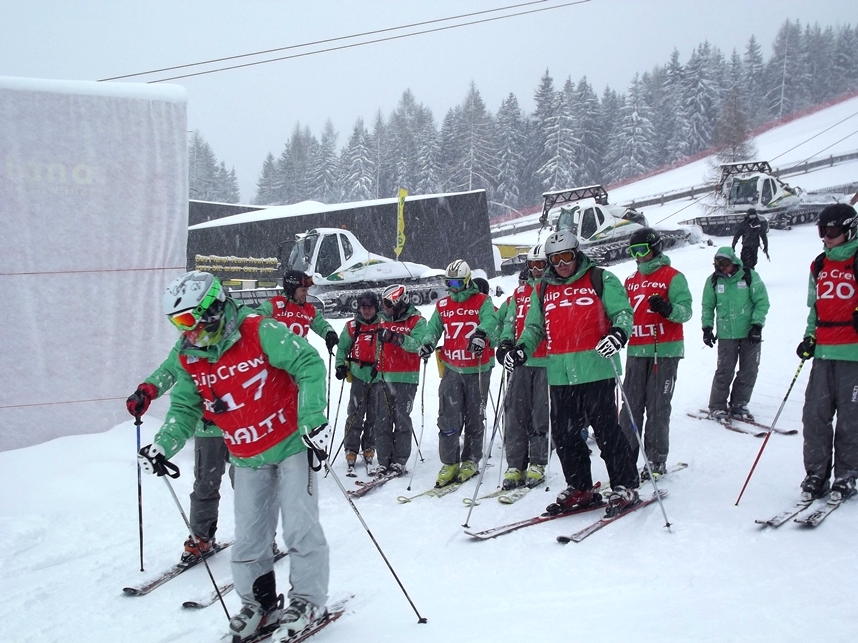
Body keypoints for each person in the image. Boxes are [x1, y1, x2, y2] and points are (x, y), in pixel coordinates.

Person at [136, 271, 331, 642]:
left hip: (290, 442)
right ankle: (259, 605)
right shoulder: (189, 353)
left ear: (213, 308)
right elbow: (185, 406)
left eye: (190, 319)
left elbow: (308, 363)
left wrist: (312, 418)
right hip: (245, 454)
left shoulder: (259, 330)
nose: (187, 329)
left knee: (299, 528)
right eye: (178, 322)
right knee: (249, 539)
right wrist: (163, 444)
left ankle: (307, 600)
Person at [504, 231, 639, 516]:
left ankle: (624, 484)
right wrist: (520, 350)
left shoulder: (601, 278)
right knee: (565, 436)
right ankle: (580, 486)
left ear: (577, 254)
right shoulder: (542, 289)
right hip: (560, 373)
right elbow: (533, 329)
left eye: (566, 256)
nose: (562, 263)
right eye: (555, 258)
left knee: (606, 431)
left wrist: (618, 333)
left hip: (596, 367)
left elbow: (623, 313)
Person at [126, 345, 231, 564]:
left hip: (243, 426)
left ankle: (263, 539)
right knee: (204, 484)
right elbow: (170, 370)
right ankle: (202, 537)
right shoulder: (189, 342)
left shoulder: (243, 334)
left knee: (251, 486)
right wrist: (147, 391)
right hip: (207, 426)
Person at [795, 203, 858, 502]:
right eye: (822, 231)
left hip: (853, 352)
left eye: (832, 231)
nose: (826, 237)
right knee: (814, 415)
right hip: (824, 349)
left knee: (851, 417)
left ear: (849, 229)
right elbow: (815, 308)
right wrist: (809, 337)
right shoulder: (819, 265)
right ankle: (816, 473)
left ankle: (847, 475)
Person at [619, 228, 693, 481]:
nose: (639, 256)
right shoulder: (630, 280)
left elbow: (686, 311)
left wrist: (668, 308)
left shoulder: (673, 277)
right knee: (630, 407)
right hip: (636, 350)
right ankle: (625, 455)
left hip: (665, 350)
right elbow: (623, 312)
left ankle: (656, 459)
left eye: (642, 250)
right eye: (633, 252)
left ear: (656, 248)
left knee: (658, 406)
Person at [419, 260, 499, 487]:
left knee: (475, 416)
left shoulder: (482, 301)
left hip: (477, 368)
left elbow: (490, 320)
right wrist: (426, 343)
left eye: (456, 283)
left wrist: (481, 334)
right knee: (448, 416)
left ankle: (472, 459)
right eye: (448, 283)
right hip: (453, 368)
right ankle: (450, 461)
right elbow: (433, 329)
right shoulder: (443, 305)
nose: (452, 287)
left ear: (466, 281)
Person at [496, 245, 550, 490]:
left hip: (545, 360)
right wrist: (505, 342)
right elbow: (510, 320)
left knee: (540, 413)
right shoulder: (519, 292)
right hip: (520, 360)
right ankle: (515, 464)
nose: (537, 269)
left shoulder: (553, 288)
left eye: (541, 264)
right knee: (515, 413)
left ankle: (537, 462)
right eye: (532, 265)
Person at [701, 246, 770, 422]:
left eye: (724, 263)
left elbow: (762, 302)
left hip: (749, 334)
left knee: (749, 370)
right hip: (726, 334)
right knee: (724, 370)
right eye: (717, 264)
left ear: (733, 261)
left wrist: (757, 325)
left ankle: (739, 403)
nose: (721, 267)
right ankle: (717, 406)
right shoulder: (713, 281)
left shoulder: (749, 276)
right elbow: (707, 306)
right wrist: (707, 328)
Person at [374, 284, 428, 474]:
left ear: (400, 303)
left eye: (389, 304)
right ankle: (383, 460)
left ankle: (400, 460)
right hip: (384, 376)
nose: (385, 307)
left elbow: (418, 345)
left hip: (407, 377)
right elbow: (377, 345)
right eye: (384, 303)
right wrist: (375, 363)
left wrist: (396, 338)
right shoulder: (382, 319)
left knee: (402, 419)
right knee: (382, 420)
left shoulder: (417, 321)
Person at [334, 290, 382, 476]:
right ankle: (351, 448)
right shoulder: (352, 326)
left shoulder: (383, 324)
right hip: (359, 374)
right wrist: (340, 365)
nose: (367, 311)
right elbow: (342, 348)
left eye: (370, 307)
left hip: (378, 376)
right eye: (363, 307)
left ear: (376, 307)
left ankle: (369, 446)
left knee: (374, 414)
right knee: (354, 414)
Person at [256, 270, 339, 355]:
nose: (306, 294)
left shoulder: (309, 309)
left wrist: (329, 333)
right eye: (303, 290)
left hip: (300, 360)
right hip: (276, 360)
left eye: (307, 290)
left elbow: (321, 324)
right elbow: (253, 320)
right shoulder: (273, 305)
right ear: (291, 290)